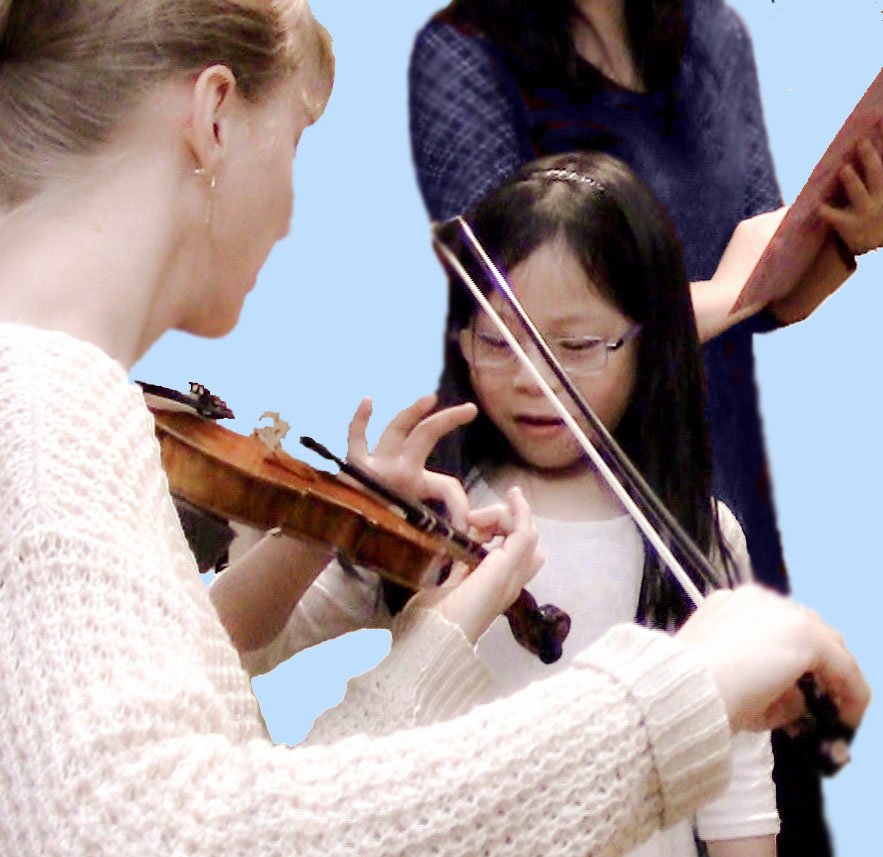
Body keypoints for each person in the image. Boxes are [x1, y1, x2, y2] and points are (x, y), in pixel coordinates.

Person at [0, 1, 870, 855]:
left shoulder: (59, 403)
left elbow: (234, 806)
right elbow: (141, 836)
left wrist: (434, 644)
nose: (293, 212)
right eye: (295, 141)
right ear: (215, 116)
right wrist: (667, 702)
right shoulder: (44, 410)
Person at [406, 3, 883, 853]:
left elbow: (761, 295)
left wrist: (847, 243)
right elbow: (516, 313)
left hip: (697, 481)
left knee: (754, 801)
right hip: (533, 501)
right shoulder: (462, 52)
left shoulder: (716, 37)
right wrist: (712, 298)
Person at [230, 151, 778, 857]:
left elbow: (735, 776)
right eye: (497, 342)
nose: (529, 378)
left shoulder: (696, 535)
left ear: (650, 347)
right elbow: (241, 644)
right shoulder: (435, 513)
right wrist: (338, 517)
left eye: (577, 344)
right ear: (462, 341)